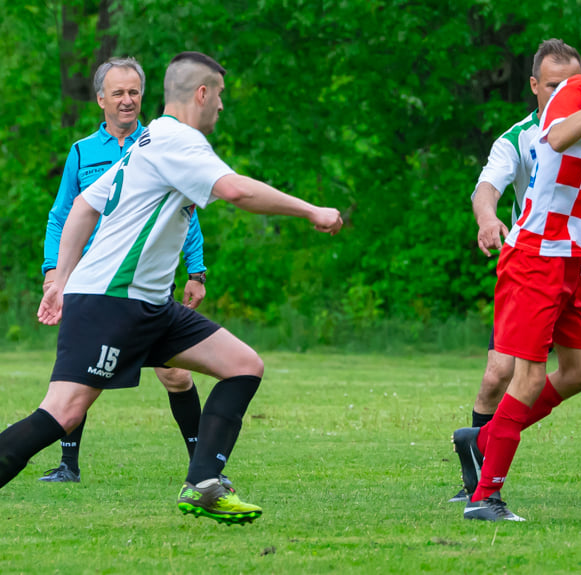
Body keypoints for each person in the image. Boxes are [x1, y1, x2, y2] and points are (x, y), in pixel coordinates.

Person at [0, 51, 342, 526]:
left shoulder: (147, 138)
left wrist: (60, 279)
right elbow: (236, 191)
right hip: (111, 301)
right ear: (201, 93)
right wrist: (311, 211)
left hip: (149, 305)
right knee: (63, 412)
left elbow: (83, 207)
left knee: (243, 365)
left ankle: (204, 484)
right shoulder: (177, 142)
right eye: (219, 95)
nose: (221, 106)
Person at [457, 28, 581, 522]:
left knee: (579, 371)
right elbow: (557, 135)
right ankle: (486, 497)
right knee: (523, 379)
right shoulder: (576, 93)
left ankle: (481, 439)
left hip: (571, 263)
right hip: (535, 258)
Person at [38, 57, 210, 484]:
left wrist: (197, 271)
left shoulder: (159, 143)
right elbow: (62, 216)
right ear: (101, 100)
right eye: (118, 92)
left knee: (175, 373)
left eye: (134, 92)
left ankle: (202, 465)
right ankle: (68, 466)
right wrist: (53, 271)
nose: (128, 100)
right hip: (90, 282)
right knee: (75, 376)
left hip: (146, 280)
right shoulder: (82, 152)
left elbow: (184, 211)